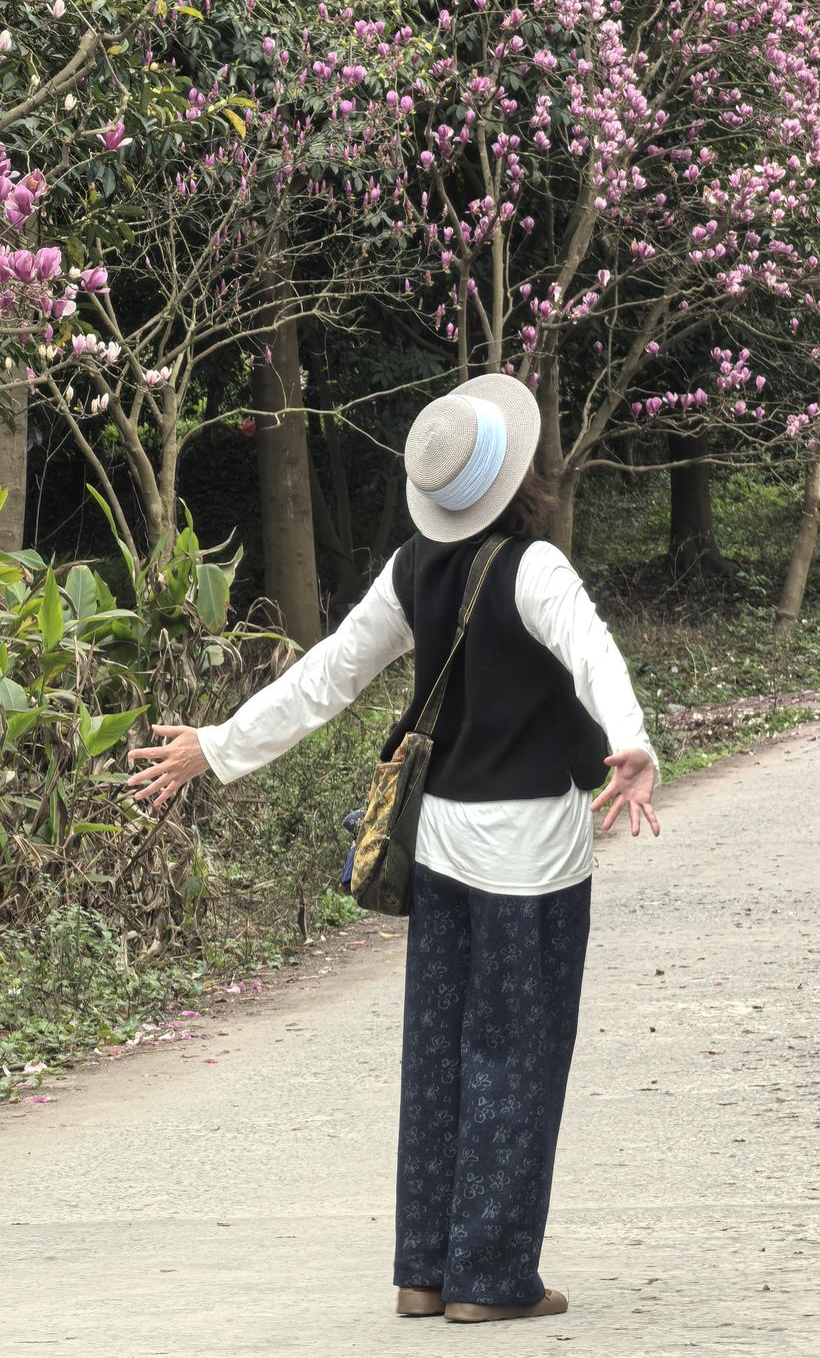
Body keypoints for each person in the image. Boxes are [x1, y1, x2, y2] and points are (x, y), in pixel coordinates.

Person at [125, 374, 660, 1324]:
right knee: (516, 1055)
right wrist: (631, 740)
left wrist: (217, 747)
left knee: (441, 1051)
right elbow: (594, 652)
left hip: (441, 837)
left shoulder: (415, 566)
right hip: (528, 843)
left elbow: (328, 673)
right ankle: (493, 1282)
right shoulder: (534, 567)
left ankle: (424, 1271)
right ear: (521, 472)